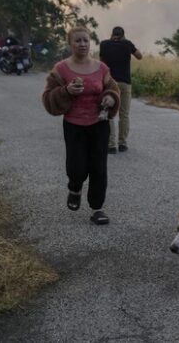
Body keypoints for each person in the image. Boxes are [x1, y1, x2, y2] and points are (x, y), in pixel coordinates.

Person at [42, 27, 121, 225]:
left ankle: (97, 208)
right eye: (78, 41)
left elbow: (113, 89)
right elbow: (48, 97)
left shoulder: (101, 68)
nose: (83, 44)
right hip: (74, 125)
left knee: (99, 168)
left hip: (99, 124)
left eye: (85, 40)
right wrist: (66, 91)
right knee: (76, 167)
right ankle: (75, 188)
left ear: (90, 42)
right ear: (70, 44)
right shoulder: (61, 69)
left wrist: (110, 98)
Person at [99, 26, 142, 154]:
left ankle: (111, 145)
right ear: (123, 35)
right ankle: (122, 143)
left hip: (109, 83)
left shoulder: (104, 44)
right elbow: (139, 56)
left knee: (109, 113)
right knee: (124, 114)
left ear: (112, 34)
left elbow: (101, 62)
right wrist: (127, 43)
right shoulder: (127, 44)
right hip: (125, 83)